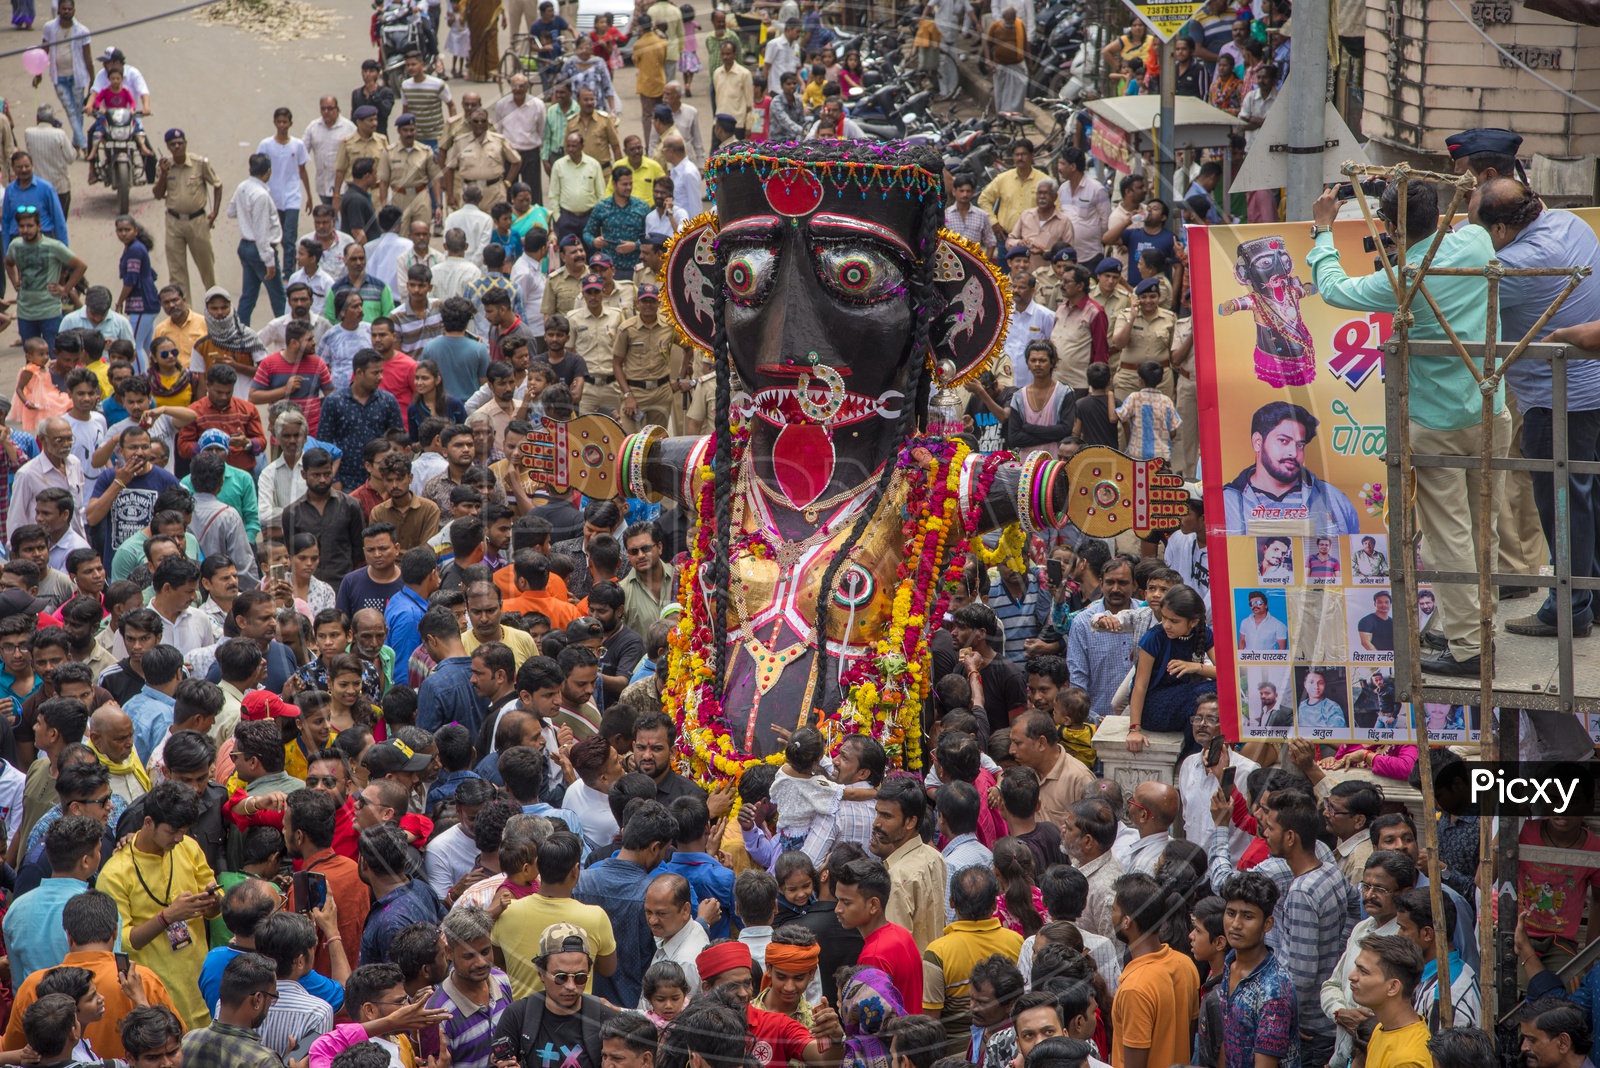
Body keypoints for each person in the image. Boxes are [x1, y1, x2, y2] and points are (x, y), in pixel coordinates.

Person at [97, 781, 219, 1029]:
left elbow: (216, 906)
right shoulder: (115, 874)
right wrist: (168, 917)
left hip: (199, 986)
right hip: (153, 993)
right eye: (173, 831)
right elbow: (122, 941)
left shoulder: (189, 847)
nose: (178, 838)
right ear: (148, 822)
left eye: (184, 830)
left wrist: (213, 903)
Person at [492, 923, 620, 1068]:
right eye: (561, 977)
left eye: (580, 977)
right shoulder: (517, 1016)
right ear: (541, 973)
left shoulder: (604, 1017)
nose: (571, 986)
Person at [1223, 401, 1362, 534]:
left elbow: (1350, 551)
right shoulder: (1227, 502)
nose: (1294, 453)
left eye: (1300, 445)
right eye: (1284, 441)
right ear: (1258, 442)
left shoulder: (1334, 499)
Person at [153, 131, 223, 303]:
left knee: (206, 266)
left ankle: (215, 306)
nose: (177, 147)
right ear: (168, 147)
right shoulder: (164, 166)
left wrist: (214, 213)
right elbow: (158, 194)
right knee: (177, 271)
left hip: (197, 221)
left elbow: (218, 185)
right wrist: (163, 174)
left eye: (180, 143)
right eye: (173, 144)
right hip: (174, 222)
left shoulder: (199, 163)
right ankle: (185, 310)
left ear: (185, 143)